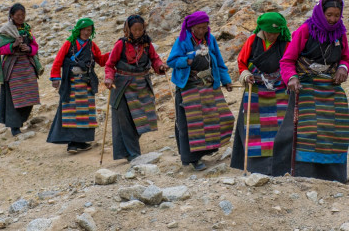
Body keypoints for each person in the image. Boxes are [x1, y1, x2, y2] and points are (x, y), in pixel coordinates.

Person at [279, 0, 349, 183]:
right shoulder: (305, 30)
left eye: (337, 15)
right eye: (329, 15)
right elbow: (287, 60)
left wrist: (343, 69)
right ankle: (305, 174)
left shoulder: (340, 33)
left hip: (330, 86)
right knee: (308, 130)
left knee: (336, 129)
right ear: (321, 12)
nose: (333, 19)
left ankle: (334, 176)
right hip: (306, 86)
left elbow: (345, 58)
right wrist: (292, 78)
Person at [167, 11, 235, 171]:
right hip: (188, 87)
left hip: (208, 85)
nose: (202, 30)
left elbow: (218, 60)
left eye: (205, 27)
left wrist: (226, 80)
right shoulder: (182, 40)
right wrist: (187, 60)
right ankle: (193, 159)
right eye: (199, 27)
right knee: (192, 124)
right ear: (191, 27)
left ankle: (209, 149)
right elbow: (172, 60)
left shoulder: (210, 39)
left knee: (218, 117)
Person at [230, 12, 292, 176]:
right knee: (254, 130)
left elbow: (290, 63)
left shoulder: (285, 43)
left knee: (281, 126)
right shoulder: (252, 41)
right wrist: (245, 74)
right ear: (262, 30)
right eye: (269, 33)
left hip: (280, 90)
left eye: (276, 33)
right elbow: (242, 63)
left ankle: (281, 165)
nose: (272, 36)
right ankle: (255, 168)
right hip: (255, 88)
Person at [104, 15, 168, 161]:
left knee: (141, 119)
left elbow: (155, 59)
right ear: (128, 30)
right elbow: (109, 64)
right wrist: (109, 78)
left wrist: (160, 66)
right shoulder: (120, 44)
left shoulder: (147, 44)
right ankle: (133, 154)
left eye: (140, 29)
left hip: (142, 86)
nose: (138, 32)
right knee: (125, 121)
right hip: (123, 87)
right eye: (135, 30)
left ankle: (129, 150)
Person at [47, 18, 110, 153]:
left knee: (85, 112)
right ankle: (72, 143)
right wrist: (55, 77)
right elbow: (58, 60)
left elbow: (101, 60)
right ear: (79, 30)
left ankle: (81, 142)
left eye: (89, 30)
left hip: (86, 84)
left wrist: (114, 53)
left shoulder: (92, 45)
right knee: (72, 112)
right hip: (71, 83)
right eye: (85, 29)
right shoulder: (69, 44)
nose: (87, 32)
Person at [0, 3, 43, 136]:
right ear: (12, 16)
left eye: (23, 15)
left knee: (30, 94)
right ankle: (15, 127)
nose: (21, 18)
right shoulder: (7, 30)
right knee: (15, 97)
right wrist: (13, 46)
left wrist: (29, 49)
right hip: (13, 69)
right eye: (18, 15)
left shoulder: (27, 29)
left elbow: (35, 47)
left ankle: (21, 120)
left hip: (27, 66)